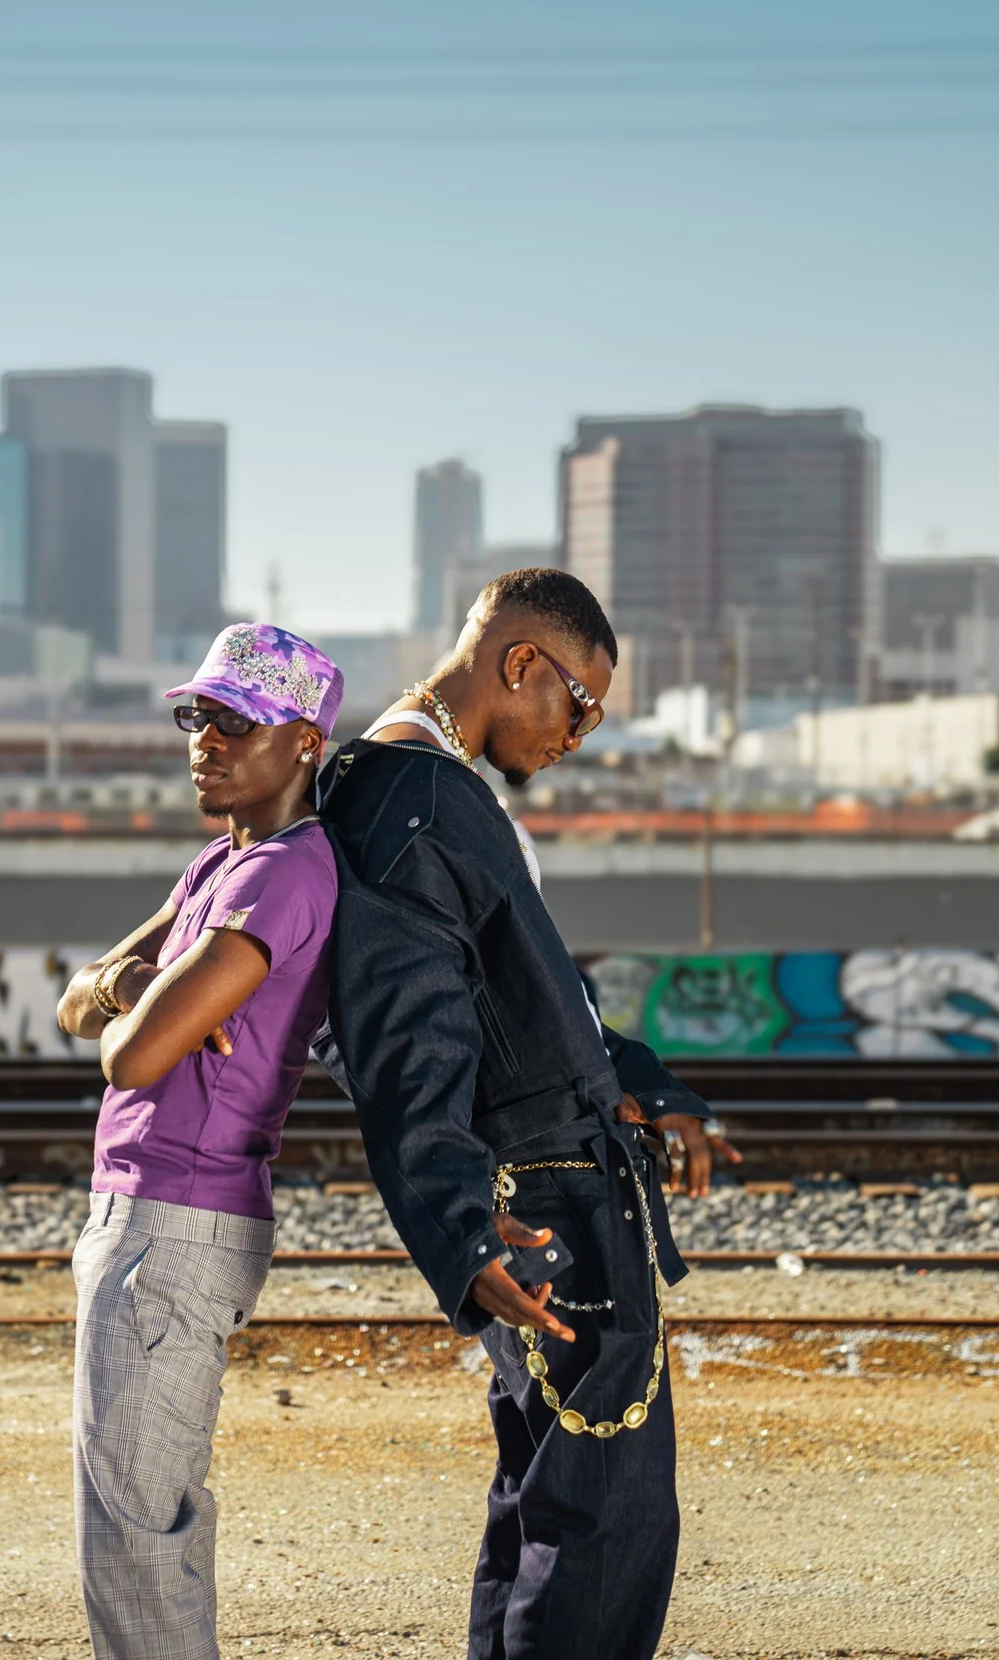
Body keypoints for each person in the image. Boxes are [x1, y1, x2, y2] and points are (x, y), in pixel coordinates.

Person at [311, 568, 733, 1660]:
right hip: (545, 1197)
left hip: (550, 1177)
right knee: (603, 1519)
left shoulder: (428, 792)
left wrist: (644, 1083)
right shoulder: (409, 802)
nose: (578, 733)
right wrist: (455, 1227)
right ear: (518, 664)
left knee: (545, 1501)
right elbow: (401, 1046)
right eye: (578, 703)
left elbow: (529, 1001)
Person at [53, 621, 344, 1660]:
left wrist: (128, 1009)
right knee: (136, 1521)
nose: (204, 740)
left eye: (237, 721)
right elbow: (76, 999)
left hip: (175, 1225)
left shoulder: (286, 875)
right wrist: (135, 988)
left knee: (136, 1535)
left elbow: (124, 1061)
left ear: (305, 740)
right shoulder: (220, 864)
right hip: (152, 1220)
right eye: (197, 715)